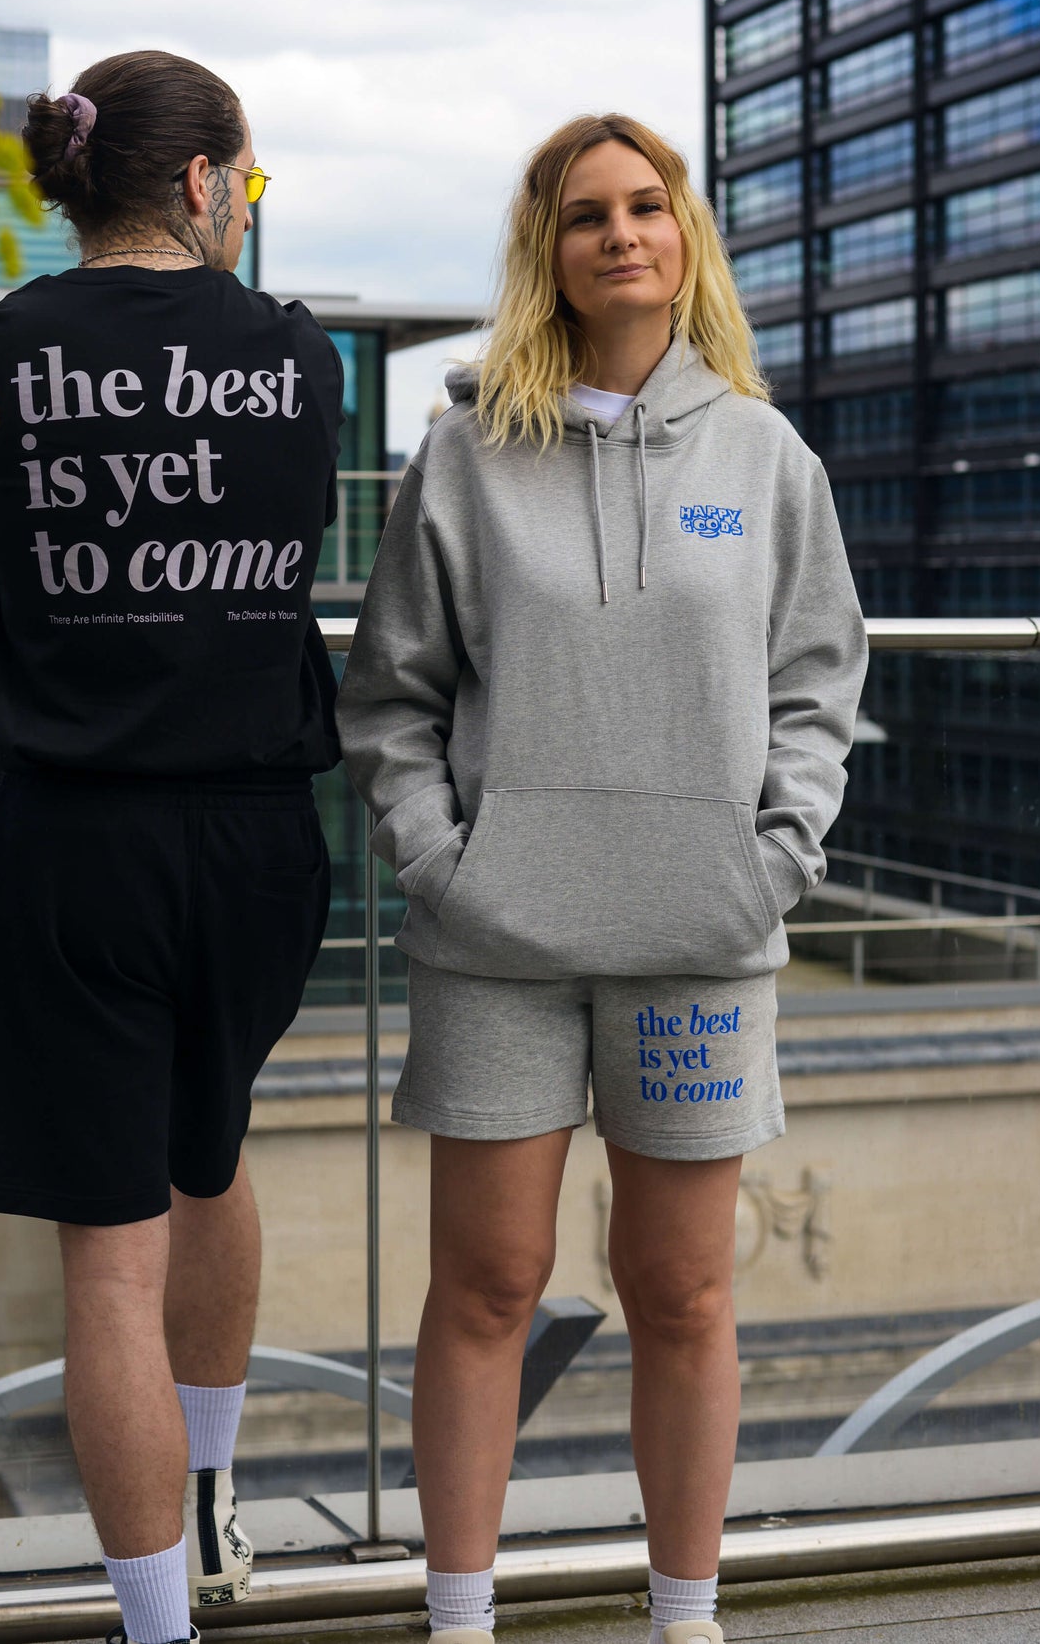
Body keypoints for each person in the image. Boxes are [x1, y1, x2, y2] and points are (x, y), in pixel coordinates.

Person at [336, 114, 867, 1644]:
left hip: (699, 940)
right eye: (585, 215)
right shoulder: (463, 453)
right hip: (495, 943)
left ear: (683, 238)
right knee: (486, 1287)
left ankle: (685, 1617)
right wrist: (447, 865)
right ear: (546, 255)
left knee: (683, 1294)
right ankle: (456, 1619)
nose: (620, 234)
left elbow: (817, 687)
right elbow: (388, 695)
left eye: (647, 207)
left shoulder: (764, 458)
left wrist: (768, 865)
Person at [0, 50, 342, 1644]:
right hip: (256, 841)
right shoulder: (299, 360)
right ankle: (219, 1489)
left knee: (109, 1261)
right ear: (206, 181)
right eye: (250, 177)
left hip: (72, 842)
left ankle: (155, 1630)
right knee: (206, 1145)